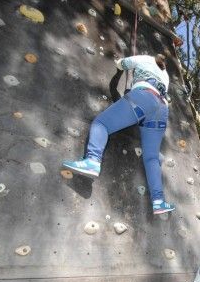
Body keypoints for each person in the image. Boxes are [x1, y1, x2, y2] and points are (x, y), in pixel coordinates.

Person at [62, 54, 175, 215]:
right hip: (161, 109)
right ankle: (158, 202)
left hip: (144, 97)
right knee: (151, 157)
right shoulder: (166, 75)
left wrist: (119, 66)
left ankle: (92, 161)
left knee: (101, 124)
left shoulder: (146, 58)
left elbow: (123, 64)